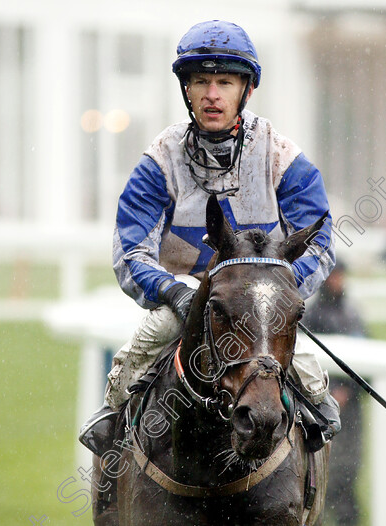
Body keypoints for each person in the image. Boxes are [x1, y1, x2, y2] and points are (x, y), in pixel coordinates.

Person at [79, 20, 339, 458]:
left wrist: (273, 294)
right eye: (201, 81)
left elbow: (320, 240)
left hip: (259, 304)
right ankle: (112, 439)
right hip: (185, 301)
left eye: (224, 81)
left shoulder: (281, 154)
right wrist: (175, 293)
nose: (212, 94)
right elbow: (130, 249)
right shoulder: (160, 159)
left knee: (313, 387)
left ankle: (310, 461)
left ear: (246, 90)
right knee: (134, 361)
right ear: (187, 89)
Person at [302, 262, 367, 525]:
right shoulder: (312, 316)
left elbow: (366, 363)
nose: (339, 281)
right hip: (320, 408)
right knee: (324, 473)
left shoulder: (353, 315)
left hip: (350, 410)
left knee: (348, 470)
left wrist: (348, 391)